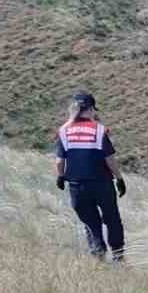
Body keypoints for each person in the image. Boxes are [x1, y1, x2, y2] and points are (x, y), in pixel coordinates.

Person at [54, 91, 126, 262]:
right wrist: (120, 179)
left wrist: (60, 176)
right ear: (92, 109)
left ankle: (98, 252)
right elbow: (110, 159)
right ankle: (118, 256)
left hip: (77, 186)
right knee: (112, 218)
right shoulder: (99, 130)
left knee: (90, 221)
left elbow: (59, 161)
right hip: (102, 184)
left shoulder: (64, 131)